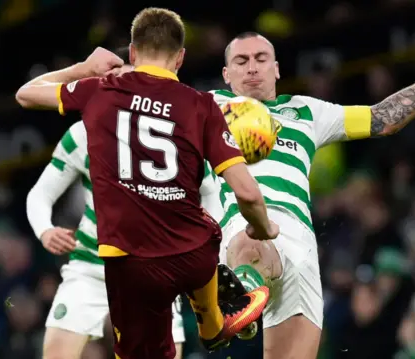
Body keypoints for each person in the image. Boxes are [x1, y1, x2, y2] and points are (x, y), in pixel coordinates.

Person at [16, 7, 278, 359]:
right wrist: (263, 227)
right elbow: (244, 192)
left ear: (133, 54)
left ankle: (212, 316)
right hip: (188, 255)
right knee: (201, 245)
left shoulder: (102, 92)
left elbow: (25, 94)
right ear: (181, 58)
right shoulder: (201, 106)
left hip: (129, 261)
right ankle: (213, 322)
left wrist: (82, 69)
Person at [208, 25, 415, 359]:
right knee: (254, 234)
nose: (252, 67)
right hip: (246, 222)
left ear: (277, 68)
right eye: (241, 60)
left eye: (261, 58)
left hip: (302, 248)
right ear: (225, 73)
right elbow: (148, 99)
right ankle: (240, 295)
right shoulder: (207, 107)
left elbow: (383, 119)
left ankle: (245, 300)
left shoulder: (306, 111)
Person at [25, 48, 188, 359]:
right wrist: (45, 230)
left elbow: (209, 191)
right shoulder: (83, 135)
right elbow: (40, 194)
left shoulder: (176, 137)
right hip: (90, 267)